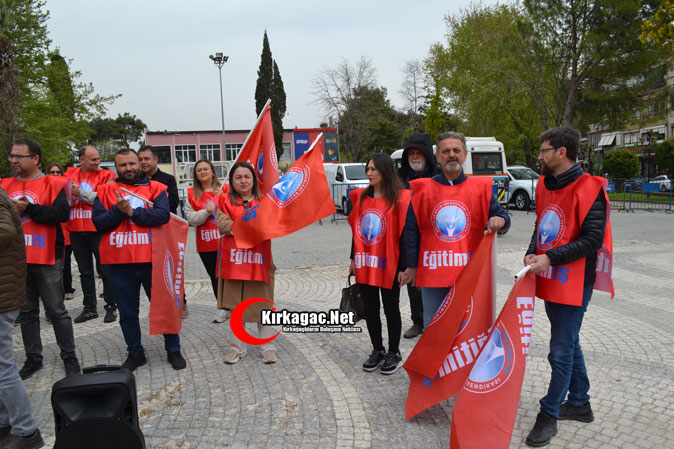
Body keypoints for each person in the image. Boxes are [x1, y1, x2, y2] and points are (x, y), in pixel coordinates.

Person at [523, 127, 609, 447]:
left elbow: (593, 239)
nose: (540, 156)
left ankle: (549, 413)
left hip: (575, 282)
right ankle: (580, 403)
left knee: (559, 350)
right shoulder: (545, 185)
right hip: (552, 277)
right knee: (569, 342)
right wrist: (533, 249)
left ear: (561, 152)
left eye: (544, 151)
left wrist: (551, 258)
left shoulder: (590, 187)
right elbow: (542, 222)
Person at [401, 131, 510, 330]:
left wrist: (499, 220)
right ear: (437, 157)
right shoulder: (422, 190)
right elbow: (411, 231)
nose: (451, 155)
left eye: (456, 150)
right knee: (434, 331)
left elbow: (504, 217)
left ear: (465, 154)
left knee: (467, 331)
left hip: (468, 275)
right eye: (446, 151)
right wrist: (412, 265)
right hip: (433, 274)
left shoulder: (480, 189)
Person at [92, 148, 186, 372]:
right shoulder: (104, 191)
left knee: (165, 306)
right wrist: (118, 211)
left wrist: (133, 213)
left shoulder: (156, 188)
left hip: (154, 260)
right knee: (127, 312)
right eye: (123, 165)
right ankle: (135, 353)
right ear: (116, 167)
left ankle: (173, 349)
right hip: (119, 262)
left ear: (139, 164)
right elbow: (99, 223)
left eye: (132, 163)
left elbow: (162, 216)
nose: (129, 168)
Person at [0, 139, 80, 380]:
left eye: (19, 156)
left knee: (56, 310)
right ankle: (33, 358)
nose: (14, 160)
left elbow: (60, 214)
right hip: (17, 259)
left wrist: (29, 208)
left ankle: (69, 356)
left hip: (47, 256)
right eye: (11, 156)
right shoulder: (4, 185)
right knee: (27, 312)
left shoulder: (55, 183)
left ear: (35, 158)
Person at [348, 153, 411, 374]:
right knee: (371, 309)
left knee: (391, 308)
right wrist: (353, 258)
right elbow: (357, 232)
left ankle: (394, 352)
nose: (369, 173)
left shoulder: (400, 199)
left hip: (390, 263)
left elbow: (404, 235)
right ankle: (377, 349)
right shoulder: (361, 198)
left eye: (373, 169)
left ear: (385, 171)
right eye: (368, 169)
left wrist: (404, 267)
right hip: (366, 262)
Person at [215, 162, 277, 364]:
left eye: (247, 176)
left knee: (263, 305)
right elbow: (224, 225)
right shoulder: (223, 201)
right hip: (234, 262)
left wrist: (242, 227)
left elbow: (270, 225)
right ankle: (236, 348)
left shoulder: (265, 201)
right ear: (232, 181)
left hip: (259, 260)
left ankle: (267, 347)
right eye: (238, 177)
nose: (243, 181)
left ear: (253, 180)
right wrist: (250, 228)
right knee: (236, 306)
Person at [0, 186, 45, 449]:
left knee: (3, 367)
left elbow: (5, 232)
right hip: (5, 290)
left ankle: (26, 431)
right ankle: (5, 422)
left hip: (3, 294)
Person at [65, 146, 118, 324]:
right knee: (85, 272)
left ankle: (111, 306)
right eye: (93, 159)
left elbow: (102, 198)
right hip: (76, 230)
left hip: (98, 229)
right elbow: (64, 201)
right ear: (81, 160)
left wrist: (79, 192)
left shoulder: (107, 175)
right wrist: (71, 197)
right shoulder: (69, 175)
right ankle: (89, 308)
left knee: (106, 271)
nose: (98, 162)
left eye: (98, 158)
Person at [138, 145, 187, 317]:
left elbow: (172, 204)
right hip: (145, 231)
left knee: (172, 267)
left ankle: (181, 302)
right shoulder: (137, 180)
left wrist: (155, 204)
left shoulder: (168, 179)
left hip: (166, 230)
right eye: (140, 159)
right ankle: (159, 304)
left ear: (155, 159)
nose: (143, 162)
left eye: (146, 159)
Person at [396, 133, 437, 339]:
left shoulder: (438, 177)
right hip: (407, 238)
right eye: (411, 153)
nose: (414, 157)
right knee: (412, 280)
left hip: (434, 238)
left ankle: (438, 320)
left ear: (427, 155)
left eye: (418, 153)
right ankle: (418, 321)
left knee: (434, 281)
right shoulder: (401, 179)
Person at [184, 159, 228, 323]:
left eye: (205, 169)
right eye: (199, 170)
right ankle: (221, 307)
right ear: (195, 175)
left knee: (231, 275)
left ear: (212, 171)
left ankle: (234, 304)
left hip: (226, 241)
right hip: (206, 243)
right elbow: (190, 218)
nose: (203, 172)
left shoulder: (225, 189)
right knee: (214, 276)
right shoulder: (191, 193)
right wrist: (206, 211)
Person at [47, 162, 76, 303]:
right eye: (52, 172)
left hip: (65, 231)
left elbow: (70, 205)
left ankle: (67, 288)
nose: (55, 174)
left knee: (65, 263)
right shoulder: (44, 186)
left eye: (58, 172)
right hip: (47, 233)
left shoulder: (66, 187)